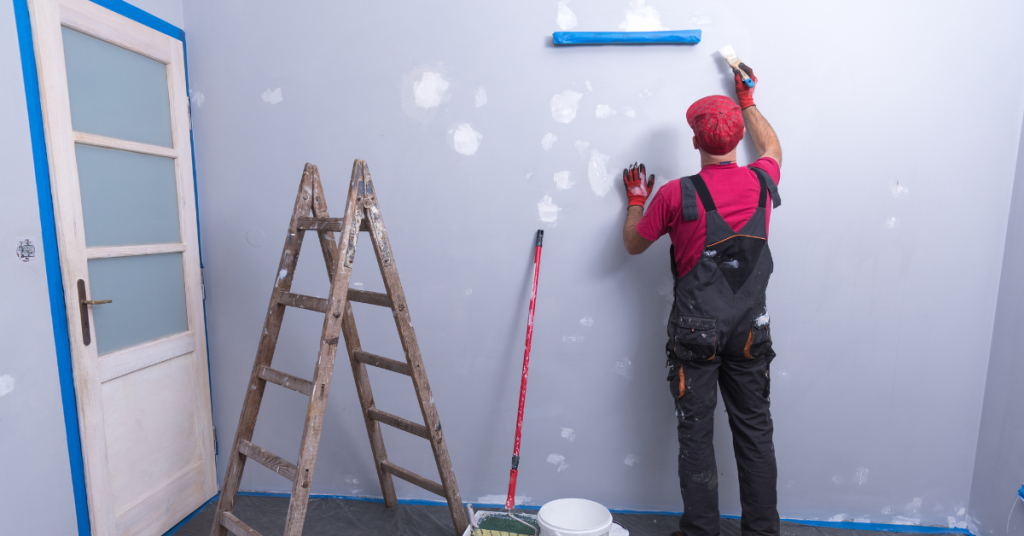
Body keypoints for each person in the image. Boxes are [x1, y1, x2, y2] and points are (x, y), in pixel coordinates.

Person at [621, 63, 783, 536]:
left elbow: (633, 244)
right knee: (755, 430)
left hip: (697, 333)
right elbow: (772, 147)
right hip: (751, 330)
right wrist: (747, 100)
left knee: (696, 434)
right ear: (738, 139)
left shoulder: (675, 195)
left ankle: (700, 532)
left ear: (695, 142)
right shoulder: (763, 180)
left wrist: (637, 201)